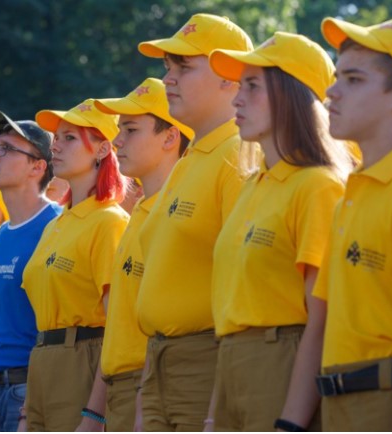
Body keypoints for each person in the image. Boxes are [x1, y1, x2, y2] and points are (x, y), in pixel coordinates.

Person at [206, 31, 354, 431]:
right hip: (231, 365)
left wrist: (292, 422)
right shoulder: (253, 185)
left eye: (252, 86)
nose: (237, 99)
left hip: (282, 364)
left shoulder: (319, 186)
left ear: (293, 95)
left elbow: (321, 321)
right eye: (239, 86)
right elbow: (234, 311)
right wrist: (212, 415)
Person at [134, 13, 255, 431]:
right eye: (168, 67)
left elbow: (245, 284)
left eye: (184, 67)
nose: (168, 78)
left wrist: (217, 403)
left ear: (230, 77)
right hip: (159, 363)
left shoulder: (238, 155)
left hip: (206, 361)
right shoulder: (190, 161)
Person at [314, 16, 392, 431]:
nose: (331, 91)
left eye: (354, 80)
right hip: (340, 406)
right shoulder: (352, 194)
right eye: (337, 76)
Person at [21, 99, 129, 431]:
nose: (56, 145)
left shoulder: (109, 221)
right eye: (57, 137)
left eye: (70, 138)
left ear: (101, 150)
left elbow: (117, 328)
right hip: (42, 361)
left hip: (83, 360)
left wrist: (95, 414)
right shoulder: (55, 223)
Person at [93, 77, 193, 431]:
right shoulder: (138, 214)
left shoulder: (178, 214)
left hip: (150, 387)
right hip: (124, 389)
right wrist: (94, 412)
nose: (117, 141)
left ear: (170, 137)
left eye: (131, 130)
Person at [0, 110, 61, 431]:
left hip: (26, 390)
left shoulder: (55, 225)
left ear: (38, 167)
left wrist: (31, 404)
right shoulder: (1, 234)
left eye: (6, 149)